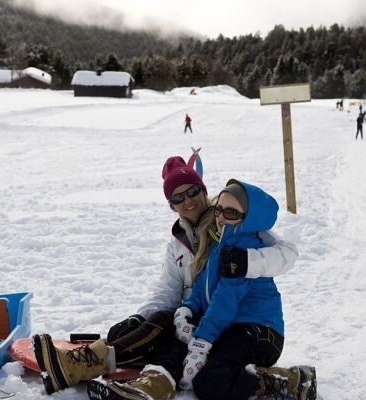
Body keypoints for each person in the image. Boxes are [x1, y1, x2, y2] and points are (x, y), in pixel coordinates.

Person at [31, 156, 299, 395]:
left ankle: (86, 362)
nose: (188, 201)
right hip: (199, 315)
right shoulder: (181, 241)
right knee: (161, 327)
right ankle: (140, 381)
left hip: (231, 320)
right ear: (171, 205)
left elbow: (285, 253)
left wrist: (247, 261)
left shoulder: (233, 220)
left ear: (204, 191)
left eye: (193, 191)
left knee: (171, 334)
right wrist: (140, 316)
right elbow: (168, 289)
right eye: (177, 198)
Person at [87, 180, 316, 400]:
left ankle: (291, 380)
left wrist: (202, 341)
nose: (221, 218)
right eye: (219, 210)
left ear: (249, 219)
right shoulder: (219, 246)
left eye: (232, 213)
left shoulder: (246, 249)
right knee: (175, 346)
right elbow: (200, 287)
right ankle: (149, 387)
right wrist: (186, 311)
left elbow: (225, 301)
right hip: (228, 327)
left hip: (259, 333)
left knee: (210, 381)